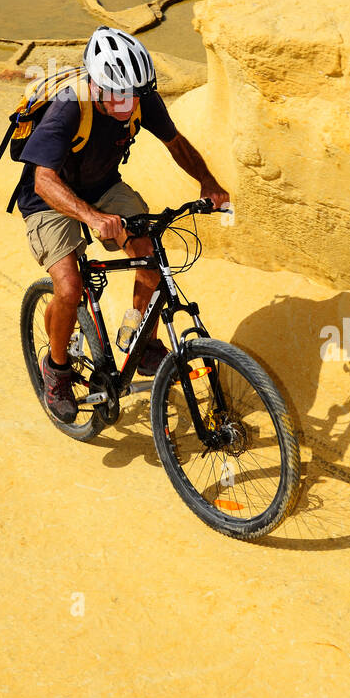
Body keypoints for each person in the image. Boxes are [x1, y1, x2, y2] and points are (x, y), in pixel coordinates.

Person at [16, 27, 229, 422]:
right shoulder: (68, 106)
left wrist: (208, 182)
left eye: (133, 95)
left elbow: (176, 143)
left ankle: (141, 338)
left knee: (148, 250)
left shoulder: (137, 97)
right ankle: (57, 370)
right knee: (69, 285)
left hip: (102, 187)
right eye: (116, 95)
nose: (127, 105)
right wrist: (92, 217)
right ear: (95, 85)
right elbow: (43, 179)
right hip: (48, 197)